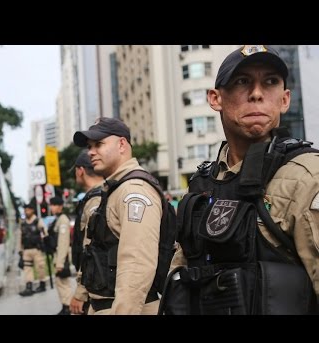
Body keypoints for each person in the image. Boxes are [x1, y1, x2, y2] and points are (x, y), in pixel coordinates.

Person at [161, 45, 319, 315]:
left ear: (284, 99)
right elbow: (181, 275)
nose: (257, 94)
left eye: (270, 82)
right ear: (215, 98)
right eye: (242, 82)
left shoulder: (305, 175)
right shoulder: (203, 183)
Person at [73, 117, 166, 315]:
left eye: (99, 144)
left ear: (122, 144)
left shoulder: (134, 191)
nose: (91, 152)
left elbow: (136, 265)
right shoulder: (116, 188)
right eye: (89, 146)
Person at [69, 150, 103, 315]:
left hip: (97, 287)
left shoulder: (94, 200)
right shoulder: (105, 193)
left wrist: (80, 292)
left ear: (80, 170)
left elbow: (90, 249)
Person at [48, 196, 74, 315]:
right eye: (51, 205)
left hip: (62, 257)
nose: (51, 207)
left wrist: (60, 263)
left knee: (64, 283)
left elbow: (63, 242)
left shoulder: (63, 220)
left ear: (59, 206)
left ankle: (68, 308)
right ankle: (65, 306)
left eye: (53, 205)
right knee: (60, 283)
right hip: (58, 256)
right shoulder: (58, 219)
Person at [18, 203, 48, 296]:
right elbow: (20, 237)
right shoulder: (22, 223)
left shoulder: (38, 221)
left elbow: (44, 233)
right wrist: (20, 250)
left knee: (40, 267)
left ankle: (42, 285)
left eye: (28, 210)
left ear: (32, 210)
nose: (26, 212)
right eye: (25, 210)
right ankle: (29, 287)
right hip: (26, 250)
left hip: (37, 249)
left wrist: (44, 244)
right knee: (27, 269)